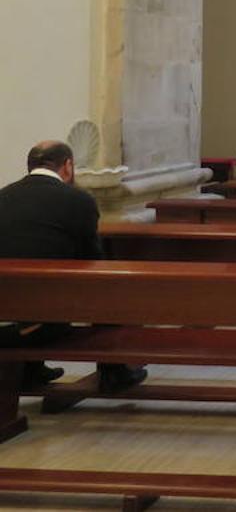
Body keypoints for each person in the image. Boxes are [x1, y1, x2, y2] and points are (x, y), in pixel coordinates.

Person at [0, 141, 147, 391]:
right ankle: (114, 371)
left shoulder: (3, 197)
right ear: (67, 166)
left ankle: (30, 370)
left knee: (30, 287)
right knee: (107, 290)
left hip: (5, 317)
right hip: (43, 326)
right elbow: (92, 262)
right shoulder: (78, 200)